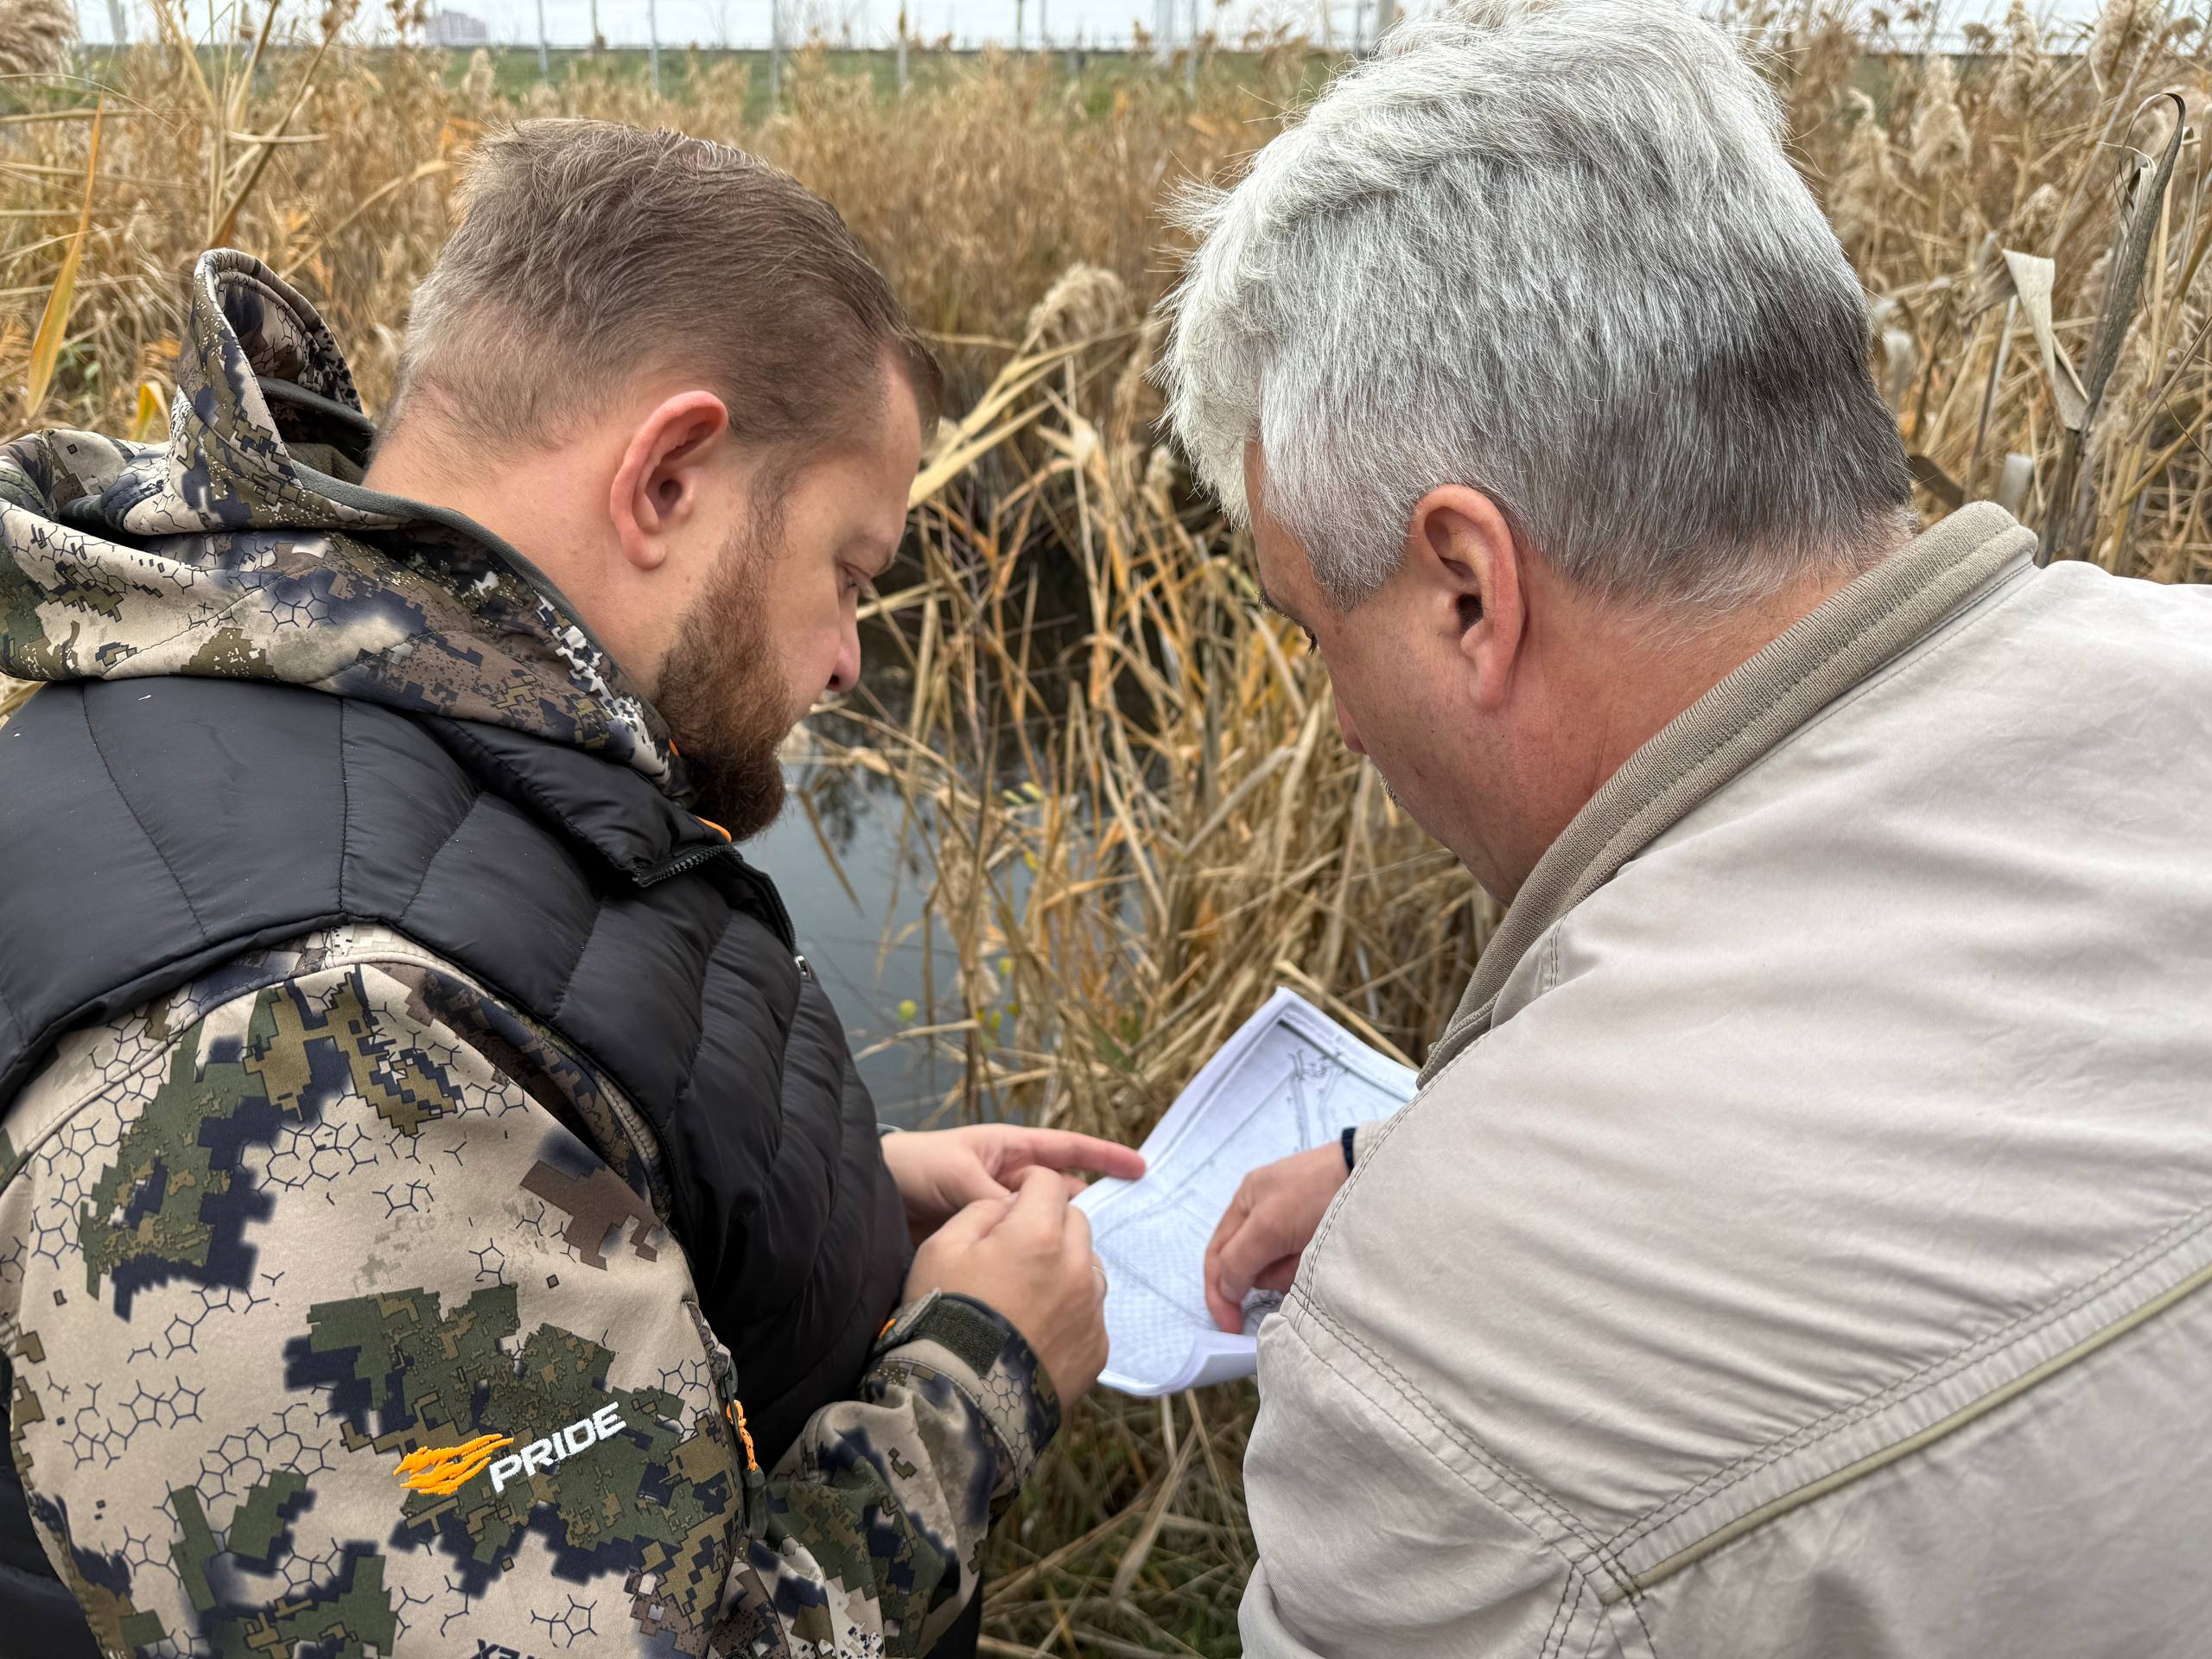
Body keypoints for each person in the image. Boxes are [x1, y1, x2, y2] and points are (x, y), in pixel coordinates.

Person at [0, 120, 1140, 1657]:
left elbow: (502, 1132)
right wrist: (978, 1378)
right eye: (852, 572)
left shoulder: (336, 724)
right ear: (667, 476)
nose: (852, 658)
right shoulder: (314, 1045)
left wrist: (831, 1204)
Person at [1165, 3, 2212, 1655]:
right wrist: (1405, 1161)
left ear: (1465, 590)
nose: (1345, 722)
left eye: (1316, 630)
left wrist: (1454, 1219)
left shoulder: (1444, 1386)